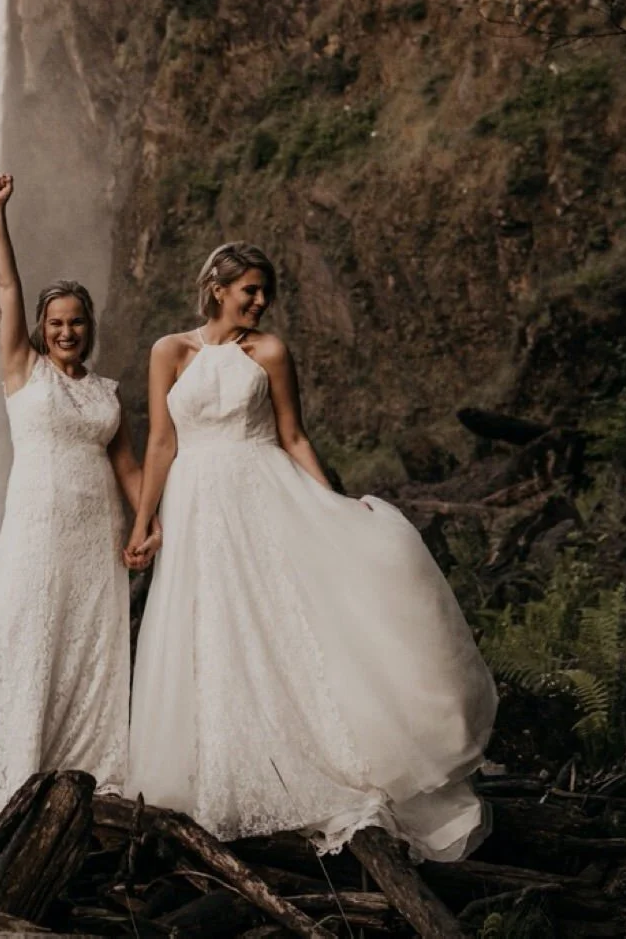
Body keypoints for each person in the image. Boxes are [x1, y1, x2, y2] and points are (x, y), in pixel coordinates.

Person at [124, 242, 498, 861]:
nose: (261, 302)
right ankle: (218, 774)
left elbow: (293, 435)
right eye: (250, 290)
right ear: (218, 288)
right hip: (195, 504)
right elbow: (161, 443)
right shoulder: (170, 350)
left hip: (260, 492)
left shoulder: (268, 351)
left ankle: (309, 760)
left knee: (281, 624)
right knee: (206, 627)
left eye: (266, 291)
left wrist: (333, 506)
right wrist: (145, 523)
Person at [0, 174, 148, 814]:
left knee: (91, 649)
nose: (67, 331)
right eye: (56, 322)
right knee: (29, 637)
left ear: (90, 326)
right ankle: (14, 782)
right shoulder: (24, 372)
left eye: (77, 321)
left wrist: (148, 524)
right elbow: (7, 286)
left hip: (96, 538)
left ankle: (88, 778)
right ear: (42, 328)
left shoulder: (107, 394)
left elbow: (129, 470)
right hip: (36, 531)